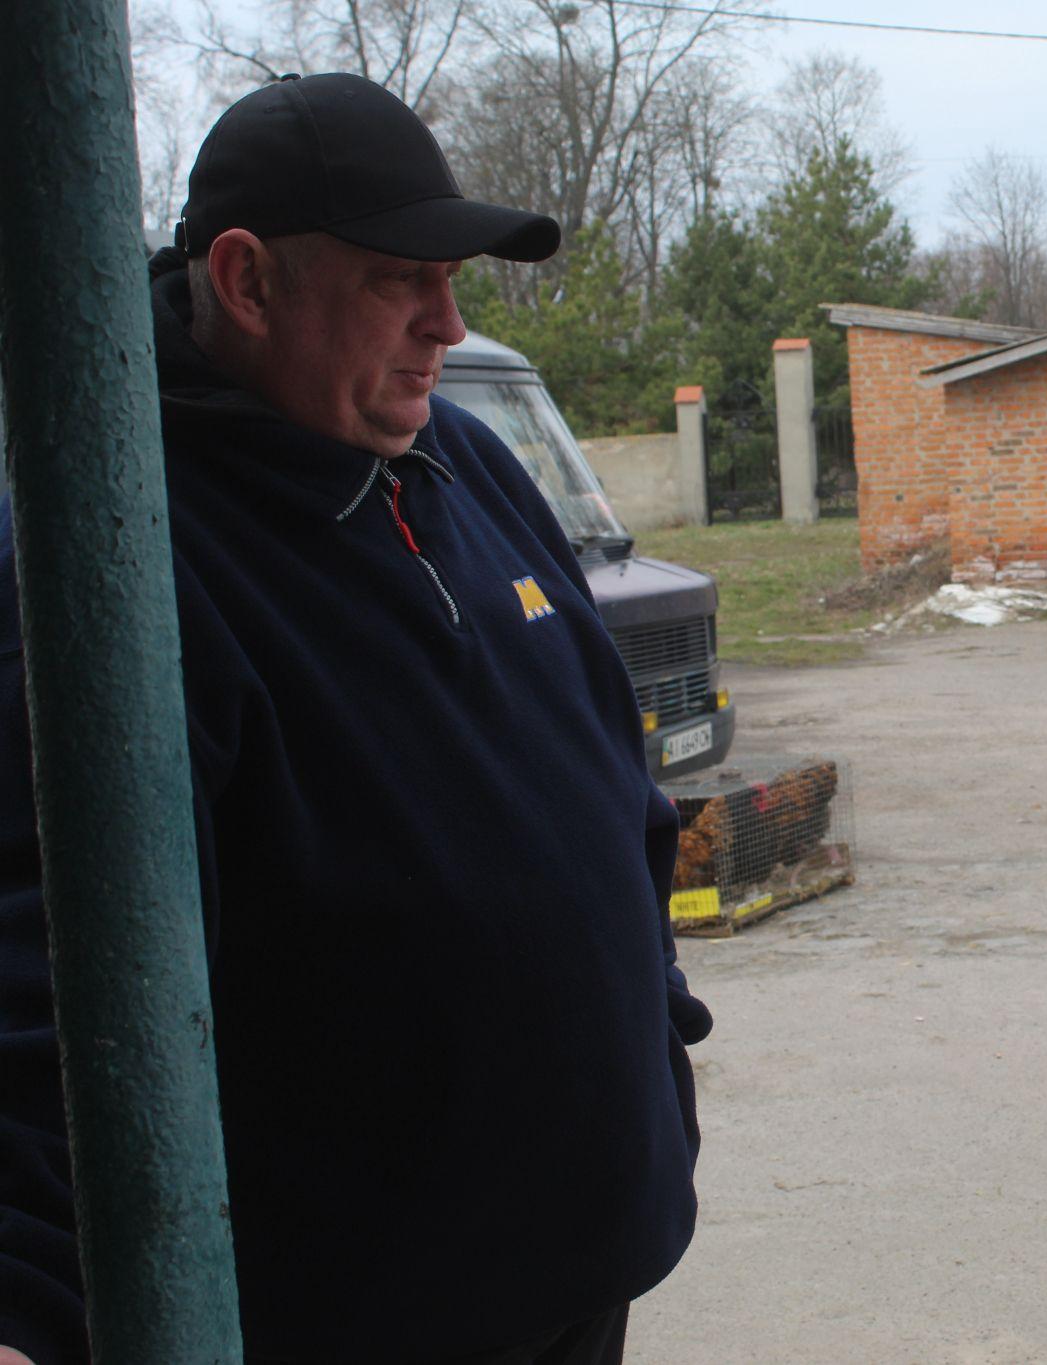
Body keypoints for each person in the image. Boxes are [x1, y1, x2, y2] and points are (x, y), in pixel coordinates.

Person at [0, 75, 710, 1364]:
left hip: (584, 1270)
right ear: (248, 281)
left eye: (454, 277)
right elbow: (45, 991)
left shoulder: (459, 458)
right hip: (371, 1316)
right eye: (400, 279)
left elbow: (608, 761)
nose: (447, 323)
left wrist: (654, 1014)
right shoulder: (108, 552)